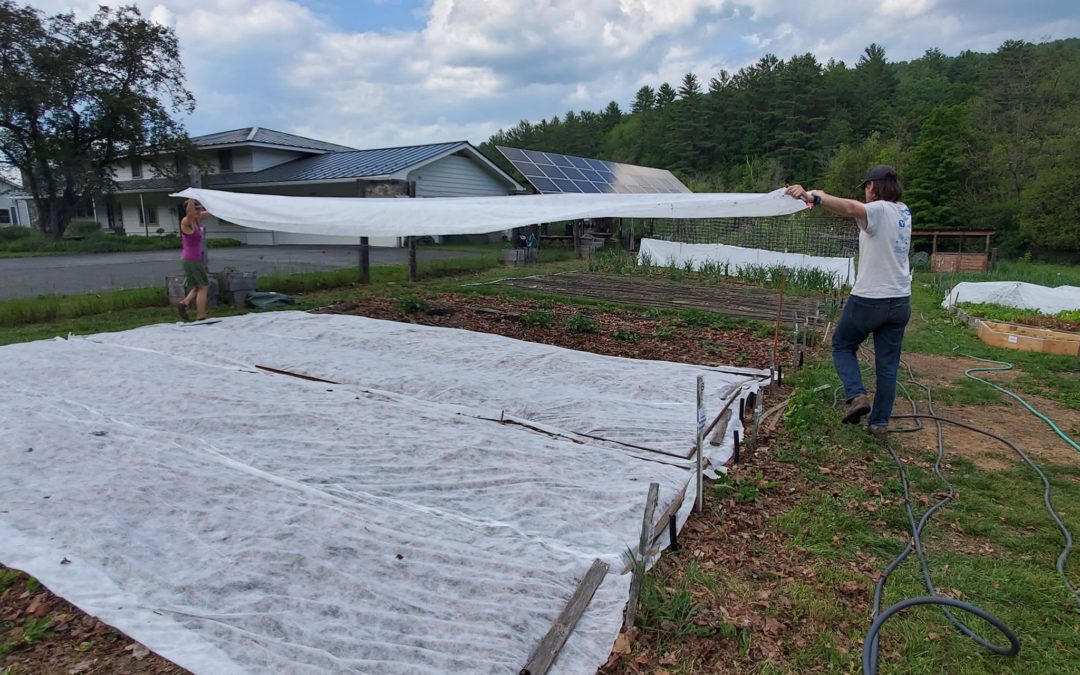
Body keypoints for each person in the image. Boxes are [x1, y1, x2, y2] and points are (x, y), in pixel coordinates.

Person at [784, 166, 912, 437]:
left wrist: (817, 196)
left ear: (873, 187)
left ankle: (857, 396)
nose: (865, 193)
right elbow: (856, 210)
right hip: (900, 300)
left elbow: (852, 208)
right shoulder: (903, 211)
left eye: (866, 187)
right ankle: (879, 423)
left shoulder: (879, 209)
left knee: (842, 344)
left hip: (871, 298)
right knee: (888, 365)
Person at [178, 198, 212, 322]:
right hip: (191, 260)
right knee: (204, 286)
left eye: (199, 209)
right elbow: (190, 213)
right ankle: (200, 316)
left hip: (192, 259)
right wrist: (192, 197)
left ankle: (184, 303)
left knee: (199, 285)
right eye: (197, 209)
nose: (199, 212)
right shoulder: (186, 221)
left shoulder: (197, 220)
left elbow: (211, 212)